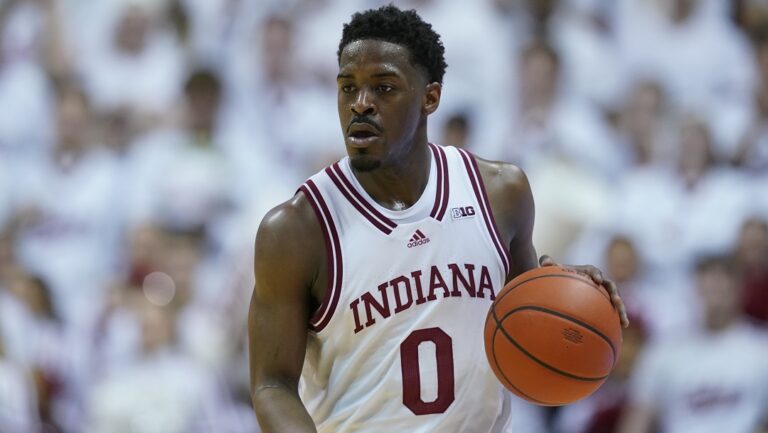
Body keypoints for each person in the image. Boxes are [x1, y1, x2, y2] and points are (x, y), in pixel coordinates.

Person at [248, 5, 627, 433]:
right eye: (347, 88)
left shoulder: (501, 193)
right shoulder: (298, 229)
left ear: (430, 97)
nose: (361, 104)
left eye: (384, 88)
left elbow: (527, 311)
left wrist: (568, 291)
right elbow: (271, 384)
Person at [617, 255, 768, 433]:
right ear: (696, 289)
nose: (715, 292)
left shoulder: (761, 348)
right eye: (709, 284)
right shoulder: (665, 350)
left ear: (739, 290)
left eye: (722, 285)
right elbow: (638, 418)